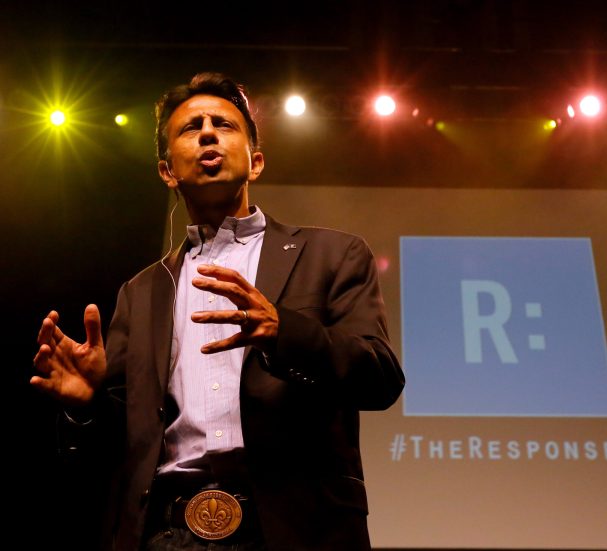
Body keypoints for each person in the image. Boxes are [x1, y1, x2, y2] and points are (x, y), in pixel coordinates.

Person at [31, 72, 404, 551]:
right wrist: (84, 408)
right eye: (191, 128)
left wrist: (282, 331)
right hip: (166, 532)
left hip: (296, 526)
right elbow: (126, 450)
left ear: (256, 162)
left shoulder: (333, 255)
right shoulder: (141, 291)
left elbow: (380, 379)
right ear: (167, 171)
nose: (207, 132)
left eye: (224, 124)